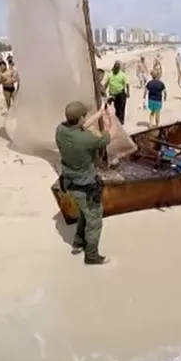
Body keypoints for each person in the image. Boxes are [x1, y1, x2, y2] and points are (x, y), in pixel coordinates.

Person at [55, 100, 115, 265]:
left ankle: (78, 243)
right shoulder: (86, 139)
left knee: (84, 212)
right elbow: (110, 135)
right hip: (85, 187)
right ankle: (92, 256)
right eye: (85, 115)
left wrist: (100, 113)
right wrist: (112, 116)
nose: (86, 118)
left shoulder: (60, 130)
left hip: (69, 184)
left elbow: (82, 126)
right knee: (94, 221)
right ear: (81, 118)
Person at [104, 60, 129, 124]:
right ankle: (118, 120)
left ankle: (121, 121)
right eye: (116, 67)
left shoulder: (122, 74)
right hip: (114, 94)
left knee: (121, 108)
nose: (116, 68)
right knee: (117, 108)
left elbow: (127, 84)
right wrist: (103, 92)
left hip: (120, 93)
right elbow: (106, 84)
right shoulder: (110, 75)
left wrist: (128, 92)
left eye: (117, 67)